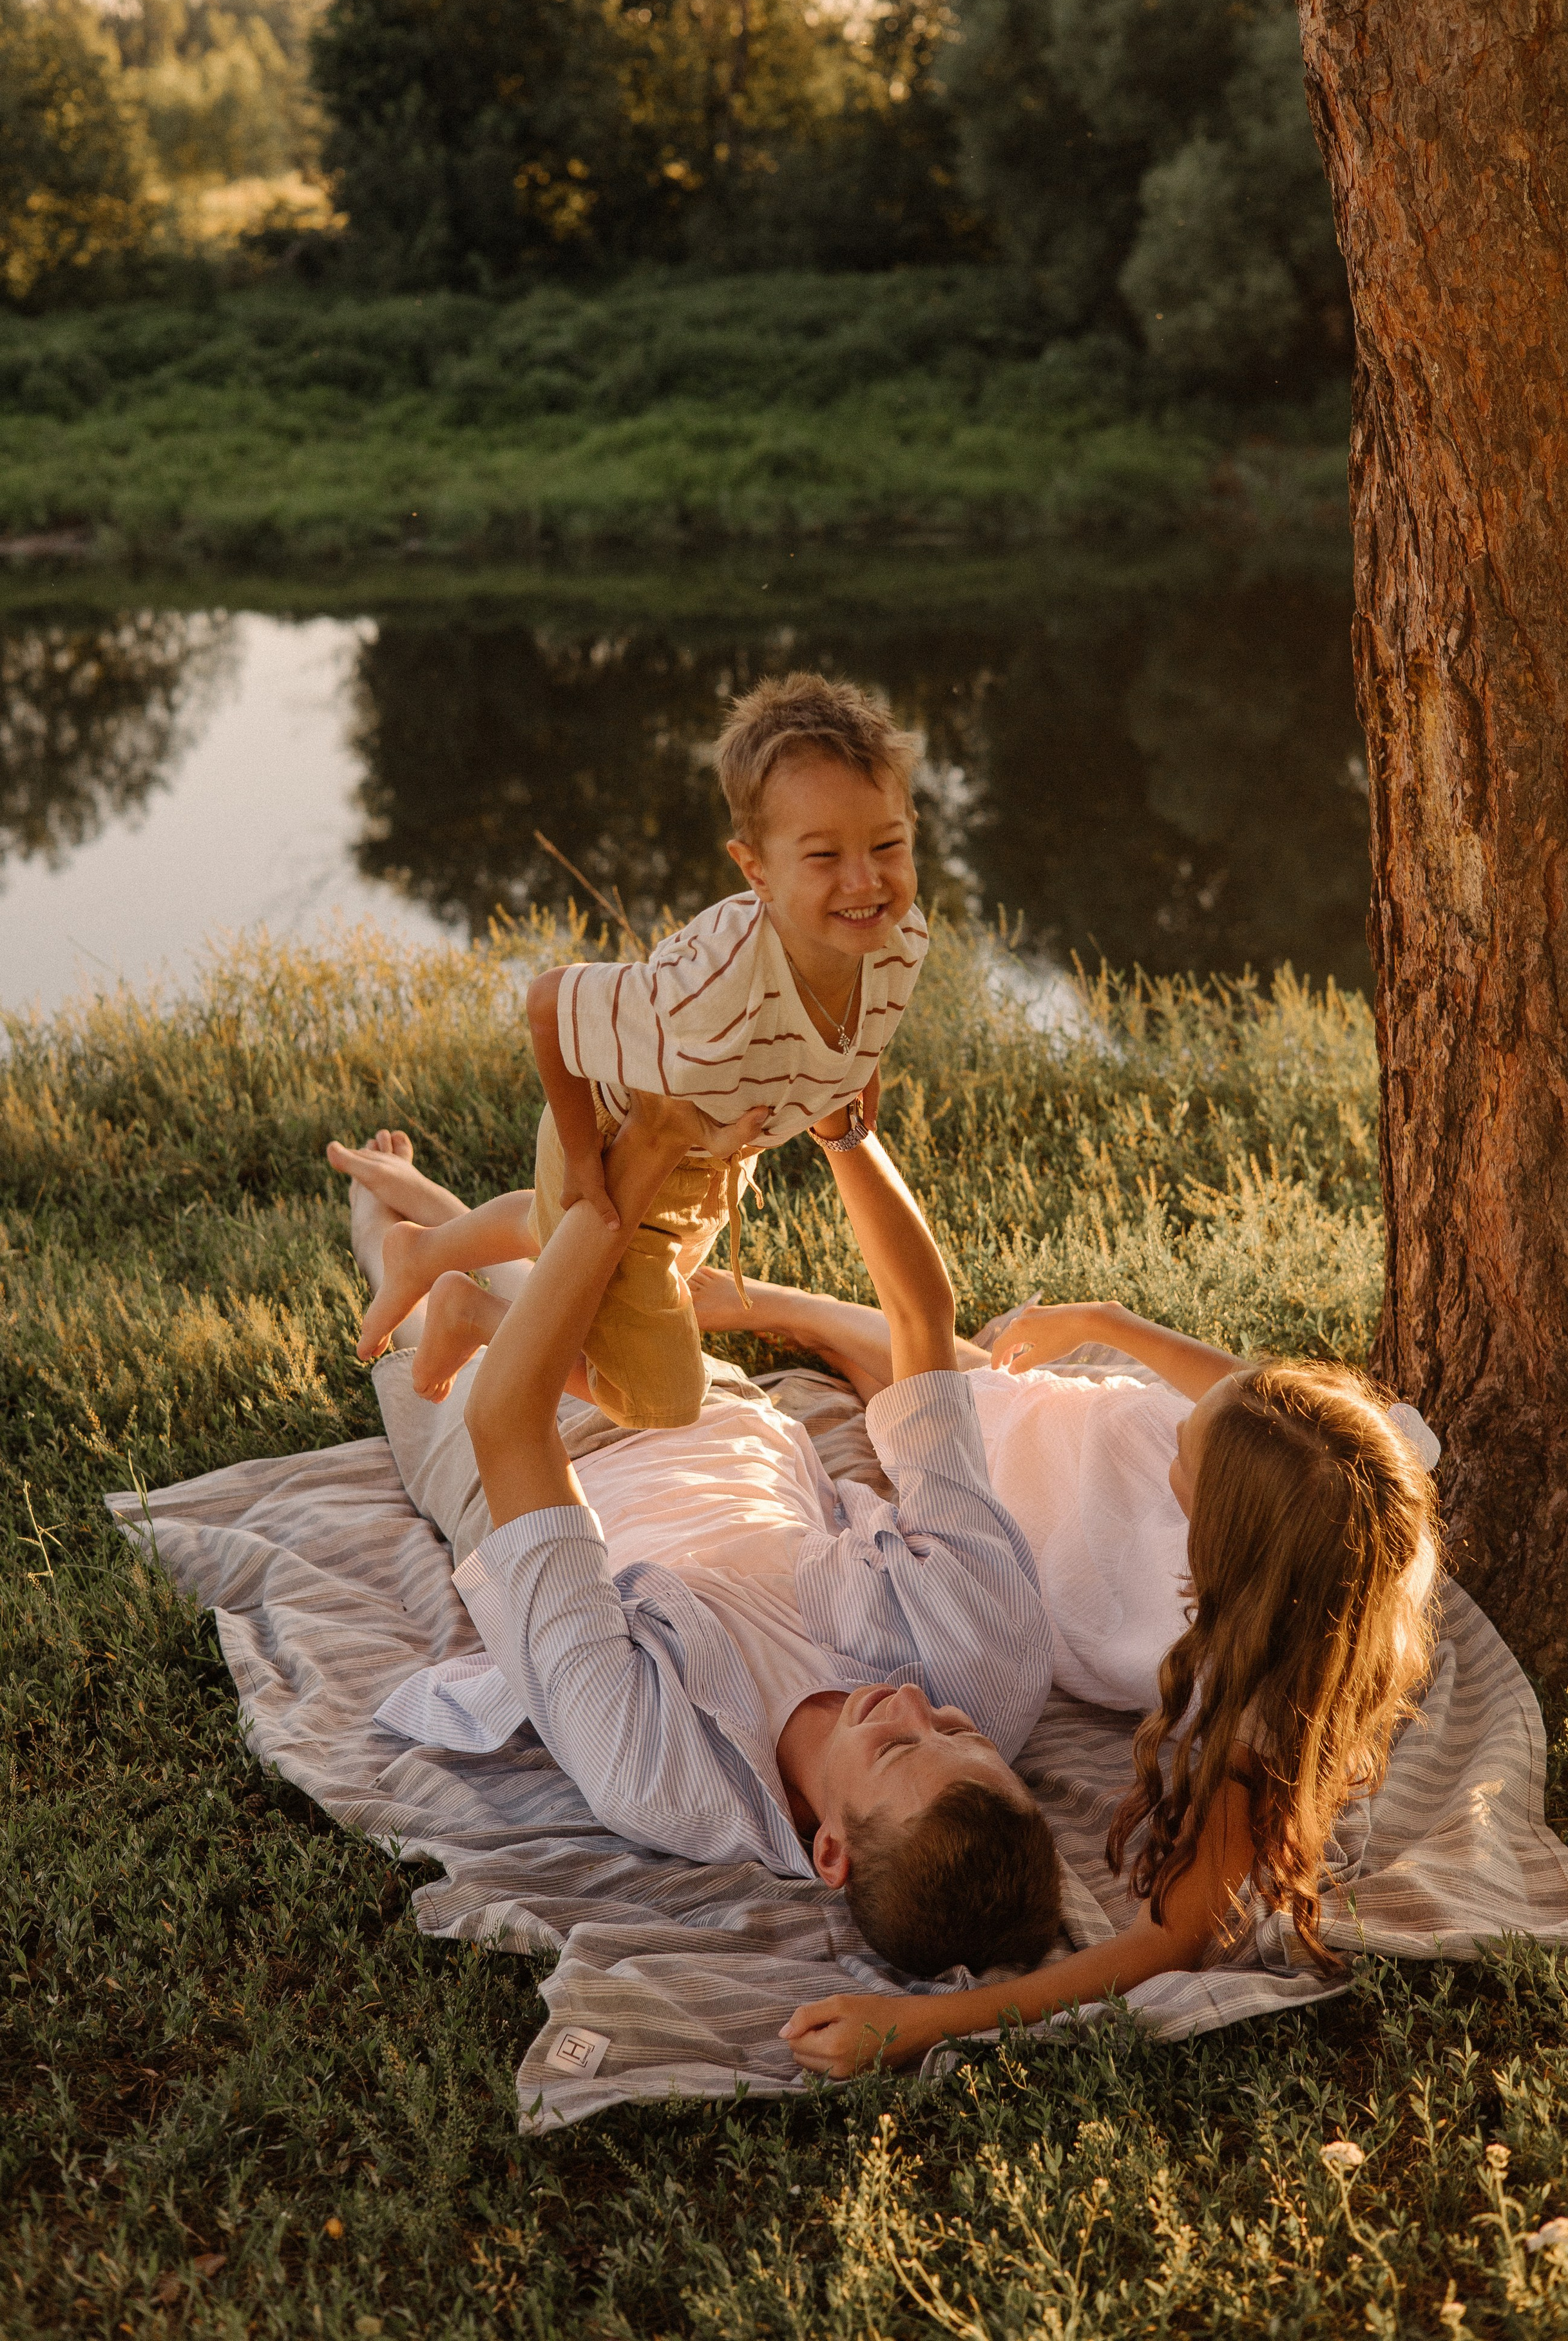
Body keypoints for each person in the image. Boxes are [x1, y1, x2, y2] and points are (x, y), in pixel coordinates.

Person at [352, 1095, 1066, 1983]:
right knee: (566, 1267)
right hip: (705, 1409)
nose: (916, 1706)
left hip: (521, 1452)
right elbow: (923, 1322)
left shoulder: (658, 1774)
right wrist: (845, 1127)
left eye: (897, 1746)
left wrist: (625, 1190)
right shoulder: (992, 1660)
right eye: (962, 1731)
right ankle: (447, 1226)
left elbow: (509, 1420)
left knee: (412, 1283)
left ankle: (391, 1215)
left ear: (831, 1855)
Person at [688, 1280, 1443, 2076]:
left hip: (1087, 1544)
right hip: (1109, 1457)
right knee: (993, 1402)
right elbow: (1259, 1406)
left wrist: (922, 2023)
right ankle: (790, 1312)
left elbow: (1172, 1938)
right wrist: (1107, 1324)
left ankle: (805, 1322)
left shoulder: (1257, 1699)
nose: (1176, 1423)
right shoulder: (1361, 1479)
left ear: (1220, 1526)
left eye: (1188, 1446)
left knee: (953, 1423)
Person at [330, 672, 929, 1427]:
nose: (864, 880)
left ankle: (423, 1254)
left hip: (712, 1155)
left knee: (560, 1237)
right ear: (755, 871)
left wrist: (854, 1068)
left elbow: (860, 1005)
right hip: (632, 1148)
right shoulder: (710, 985)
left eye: (887, 845)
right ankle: (473, 1317)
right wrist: (585, 1165)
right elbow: (551, 1000)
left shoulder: (896, 937)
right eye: (822, 857)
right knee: (663, 1399)